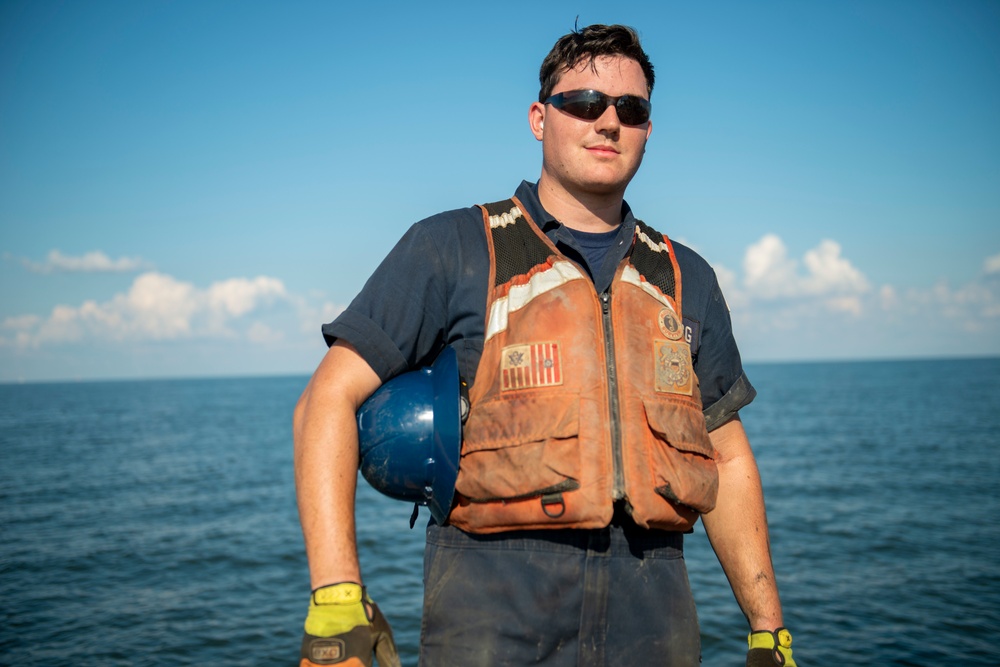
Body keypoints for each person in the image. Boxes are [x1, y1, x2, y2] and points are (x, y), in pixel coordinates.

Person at [294, 23, 797, 667]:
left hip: (656, 624)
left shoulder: (685, 277)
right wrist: (337, 599)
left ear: (648, 129)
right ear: (540, 117)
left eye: (631, 109)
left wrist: (767, 631)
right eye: (584, 102)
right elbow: (326, 400)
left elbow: (725, 456)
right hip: (490, 624)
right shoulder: (451, 248)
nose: (608, 121)